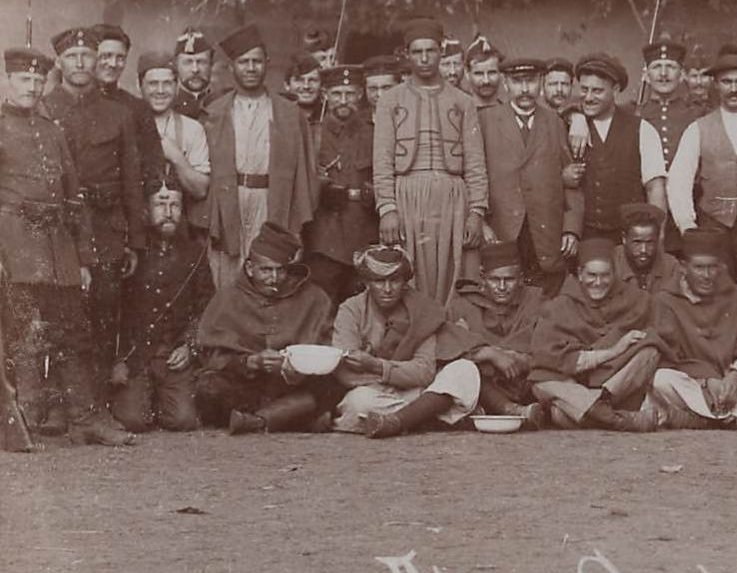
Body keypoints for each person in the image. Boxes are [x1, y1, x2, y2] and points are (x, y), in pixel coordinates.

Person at [1, 45, 130, 445]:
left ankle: (86, 418)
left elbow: (74, 199)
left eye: (39, 79)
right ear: (7, 81)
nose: (33, 86)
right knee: (25, 334)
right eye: (25, 79)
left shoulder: (52, 130)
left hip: (59, 250)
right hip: (15, 247)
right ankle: (23, 421)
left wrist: (85, 259)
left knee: (74, 333)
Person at [42, 25, 150, 420]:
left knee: (104, 315)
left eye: (88, 56)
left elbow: (133, 182)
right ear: (60, 62)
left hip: (106, 227)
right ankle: (59, 405)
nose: (81, 63)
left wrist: (134, 241)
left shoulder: (119, 114)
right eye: (72, 56)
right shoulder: (44, 108)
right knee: (61, 316)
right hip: (60, 230)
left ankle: (98, 406)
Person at [373, 17, 489, 305]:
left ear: (441, 51)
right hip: (408, 196)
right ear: (407, 54)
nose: (424, 59)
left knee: (453, 273)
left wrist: (476, 211)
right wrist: (387, 207)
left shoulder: (463, 101)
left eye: (431, 51)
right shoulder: (390, 100)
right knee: (411, 274)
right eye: (416, 52)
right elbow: (383, 161)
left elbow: (475, 162)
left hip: (452, 197)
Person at [201, 23, 320, 291]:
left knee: (271, 277)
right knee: (229, 281)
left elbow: (305, 175)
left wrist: (295, 228)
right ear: (231, 67)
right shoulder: (216, 113)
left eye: (256, 61)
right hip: (231, 202)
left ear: (267, 64)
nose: (251, 68)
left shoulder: (289, 113)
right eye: (243, 62)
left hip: (272, 201)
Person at [194, 222, 332, 435]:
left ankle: (257, 421)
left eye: (280, 270)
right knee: (209, 387)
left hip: (293, 386)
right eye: (266, 270)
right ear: (250, 268)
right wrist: (250, 362)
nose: (274, 279)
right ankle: (290, 419)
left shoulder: (314, 297)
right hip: (249, 388)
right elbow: (211, 356)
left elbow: (328, 349)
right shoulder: (228, 297)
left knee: (330, 387)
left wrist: (295, 367)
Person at [330, 245, 481, 438]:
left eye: (394, 280)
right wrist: (397, 374)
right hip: (375, 393)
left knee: (464, 370)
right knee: (358, 403)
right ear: (366, 282)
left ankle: (396, 422)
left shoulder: (422, 310)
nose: (387, 289)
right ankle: (423, 417)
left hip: (417, 392)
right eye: (379, 281)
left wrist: (376, 366)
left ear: (405, 281)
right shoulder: (351, 310)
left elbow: (424, 372)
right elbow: (346, 374)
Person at [648, 229, 737, 429]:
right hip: (694, 387)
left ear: (721, 266)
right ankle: (724, 419)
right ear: (683, 267)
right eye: (699, 268)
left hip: (734, 387)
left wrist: (734, 376)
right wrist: (706, 381)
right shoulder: (665, 300)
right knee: (660, 379)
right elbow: (669, 357)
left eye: (712, 267)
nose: (707, 275)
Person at [668, 48, 737, 298]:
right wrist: (687, 225)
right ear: (716, 84)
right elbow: (678, 180)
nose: (734, 89)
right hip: (713, 225)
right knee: (715, 295)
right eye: (727, 82)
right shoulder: (699, 128)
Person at [528, 239, 662, 432]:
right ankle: (614, 418)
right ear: (580, 275)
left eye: (605, 275)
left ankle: (595, 408)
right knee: (540, 381)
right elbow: (547, 358)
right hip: (575, 382)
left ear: (614, 274)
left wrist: (624, 347)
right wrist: (612, 350)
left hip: (613, 384)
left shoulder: (634, 299)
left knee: (649, 351)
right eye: (592, 275)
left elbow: (654, 336)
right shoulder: (560, 306)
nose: (598, 283)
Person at [110, 186, 213, 433]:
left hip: (173, 356)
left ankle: (162, 396)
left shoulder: (194, 253)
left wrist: (189, 346)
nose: (168, 212)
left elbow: (207, 304)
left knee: (183, 421)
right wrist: (117, 359)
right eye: (160, 205)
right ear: (146, 210)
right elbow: (112, 311)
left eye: (175, 205)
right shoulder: (131, 254)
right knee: (134, 420)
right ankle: (143, 397)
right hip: (136, 357)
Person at [477, 56, 582, 292]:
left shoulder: (555, 122)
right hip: (503, 230)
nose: (525, 89)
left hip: (546, 233)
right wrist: (481, 221)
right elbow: (473, 176)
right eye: (517, 81)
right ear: (506, 84)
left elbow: (573, 180)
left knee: (546, 300)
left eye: (531, 81)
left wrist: (571, 229)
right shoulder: (486, 121)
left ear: (541, 82)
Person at [448, 240, 553, 427]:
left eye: (509, 280)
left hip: (524, 383)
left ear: (521, 278)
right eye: (495, 280)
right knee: (467, 370)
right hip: (484, 384)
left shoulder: (537, 301)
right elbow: (450, 350)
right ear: (482, 277)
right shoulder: (463, 306)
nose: (502, 287)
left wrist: (519, 359)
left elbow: (549, 350)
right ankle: (511, 410)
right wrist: (490, 354)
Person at [305, 64, 377, 309]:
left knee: (362, 305)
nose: (343, 100)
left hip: (365, 232)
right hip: (325, 237)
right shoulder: (312, 134)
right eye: (337, 94)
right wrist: (320, 188)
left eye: (350, 94)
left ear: (360, 95)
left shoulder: (375, 133)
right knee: (321, 304)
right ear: (325, 95)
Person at [577, 52, 670, 242]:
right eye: (584, 89)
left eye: (597, 91)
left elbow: (655, 189)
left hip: (630, 238)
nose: (588, 97)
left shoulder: (642, 129)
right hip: (585, 237)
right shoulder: (572, 126)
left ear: (616, 89)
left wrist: (657, 238)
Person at [137, 51, 211, 229]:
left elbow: (200, 189)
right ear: (139, 86)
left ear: (177, 86)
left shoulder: (192, 129)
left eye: (167, 83)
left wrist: (176, 156)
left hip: (181, 228)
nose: (160, 91)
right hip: (138, 227)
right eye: (153, 84)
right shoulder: (127, 126)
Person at [91, 23, 165, 194]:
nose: (113, 64)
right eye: (105, 56)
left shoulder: (137, 109)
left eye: (120, 58)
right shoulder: (74, 103)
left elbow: (154, 165)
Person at [636, 38, 708, 167]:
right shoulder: (633, 114)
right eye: (656, 67)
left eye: (670, 67)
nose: (663, 74)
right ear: (645, 76)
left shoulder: (699, 113)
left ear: (681, 76)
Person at [613, 202, 681, 292]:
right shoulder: (610, 263)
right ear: (624, 238)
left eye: (650, 242)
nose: (643, 250)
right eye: (637, 242)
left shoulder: (671, 266)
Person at [173, 26, 218, 121]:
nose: (195, 69)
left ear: (211, 64)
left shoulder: (223, 104)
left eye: (201, 62)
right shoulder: (168, 108)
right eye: (188, 62)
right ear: (176, 66)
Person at [284, 51, 323, 128]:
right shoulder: (277, 115)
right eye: (299, 80)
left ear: (321, 85)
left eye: (312, 80)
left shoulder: (328, 116)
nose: (306, 86)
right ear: (287, 85)